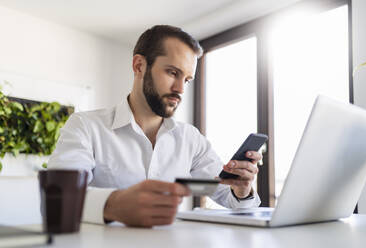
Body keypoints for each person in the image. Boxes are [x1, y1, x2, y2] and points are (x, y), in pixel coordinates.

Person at [48, 25, 262, 227]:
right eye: (172, 72)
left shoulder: (191, 140)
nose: (180, 89)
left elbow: (229, 198)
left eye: (187, 79)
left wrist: (241, 189)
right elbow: (57, 196)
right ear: (139, 66)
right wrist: (113, 204)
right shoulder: (85, 126)